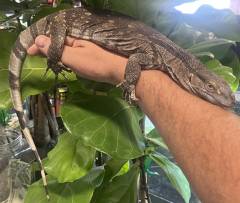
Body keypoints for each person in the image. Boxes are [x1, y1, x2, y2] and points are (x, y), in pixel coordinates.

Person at [28, 35, 240, 203]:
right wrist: (130, 82)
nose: (222, 98)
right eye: (211, 88)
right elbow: (136, 59)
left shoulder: (166, 59)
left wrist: (119, 71)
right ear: (193, 77)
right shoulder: (160, 58)